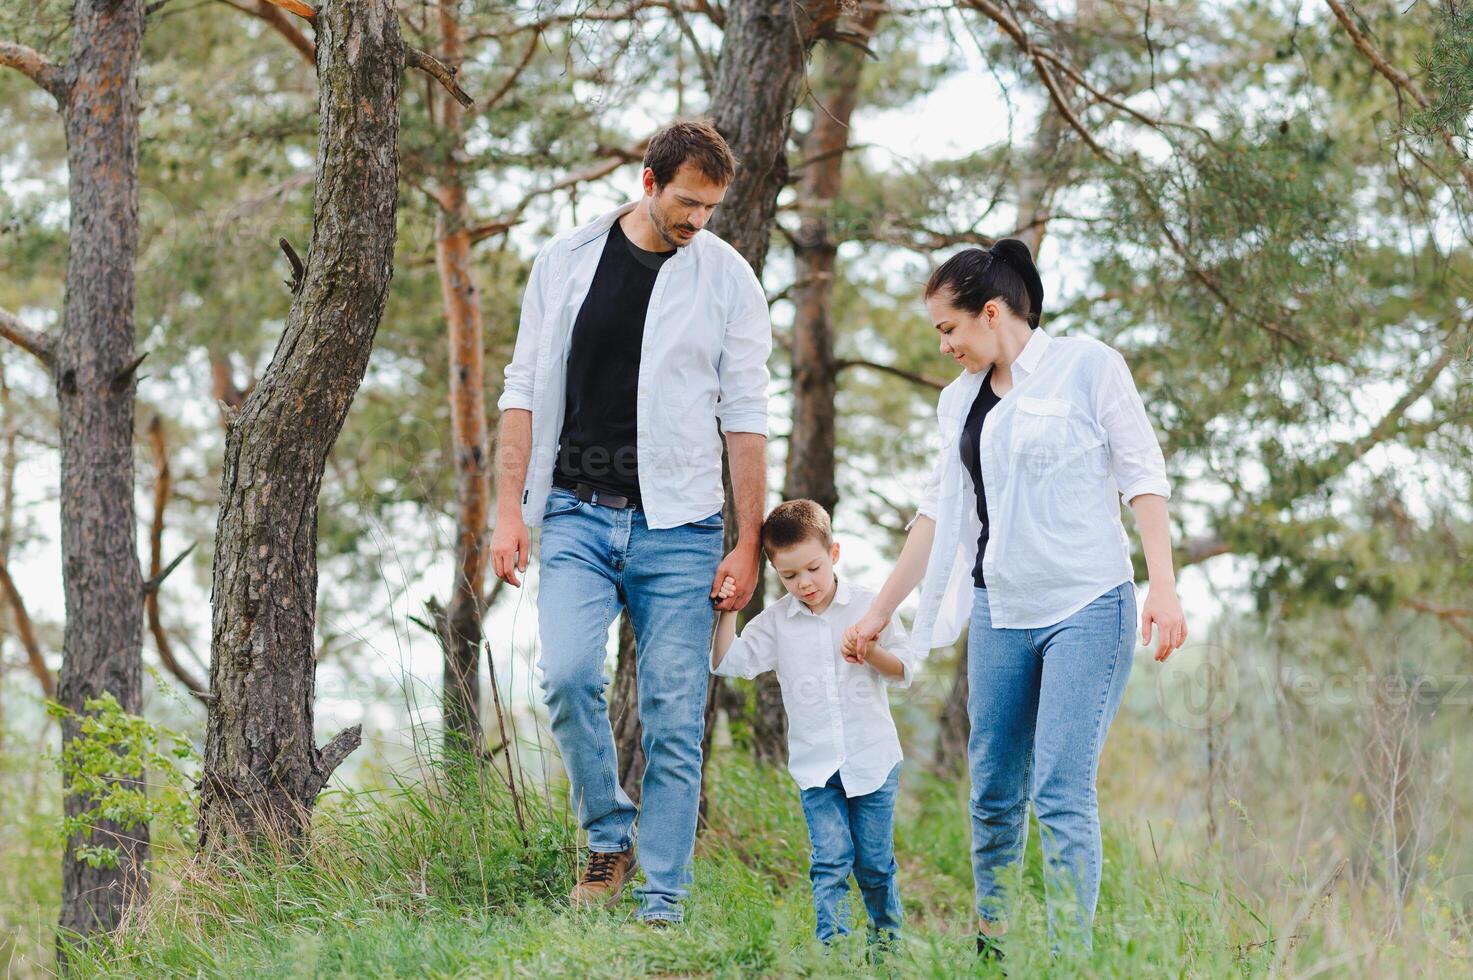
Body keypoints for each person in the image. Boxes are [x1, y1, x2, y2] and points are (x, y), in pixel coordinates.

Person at [845, 240, 1188, 959]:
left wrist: (1162, 583)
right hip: (999, 609)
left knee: (1061, 791)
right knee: (993, 791)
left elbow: (1141, 475)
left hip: (1087, 606)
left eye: (948, 328)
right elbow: (936, 517)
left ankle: (1068, 959)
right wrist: (880, 610)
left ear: (990, 312)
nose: (943, 345)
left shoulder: (1087, 366)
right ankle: (992, 949)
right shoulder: (957, 403)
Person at [489, 120, 773, 926]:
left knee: (676, 719)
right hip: (575, 514)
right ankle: (607, 835)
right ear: (648, 184)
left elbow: (746, 417)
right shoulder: (567, 259)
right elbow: (521, 388)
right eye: (687, 202)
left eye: (711, 207)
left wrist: (748, 542)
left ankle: (663, 901)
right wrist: (507, 511)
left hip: (680, 528)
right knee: (569, 678)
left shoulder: (728, 281)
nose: (698, 220)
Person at [711, 499, 912, 947]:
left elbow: (905, 670)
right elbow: (727, 661)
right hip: (817, 769)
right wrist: (729, 608)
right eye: (789, 575)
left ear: (834, 553)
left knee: (875, 864)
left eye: (813, 569)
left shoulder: (870, 606)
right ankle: (835, 953)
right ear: (776, 573)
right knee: (831, 860)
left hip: (873, 761)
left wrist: (871, 650)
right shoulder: (776, 623)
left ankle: (888, 949)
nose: (804, 583)